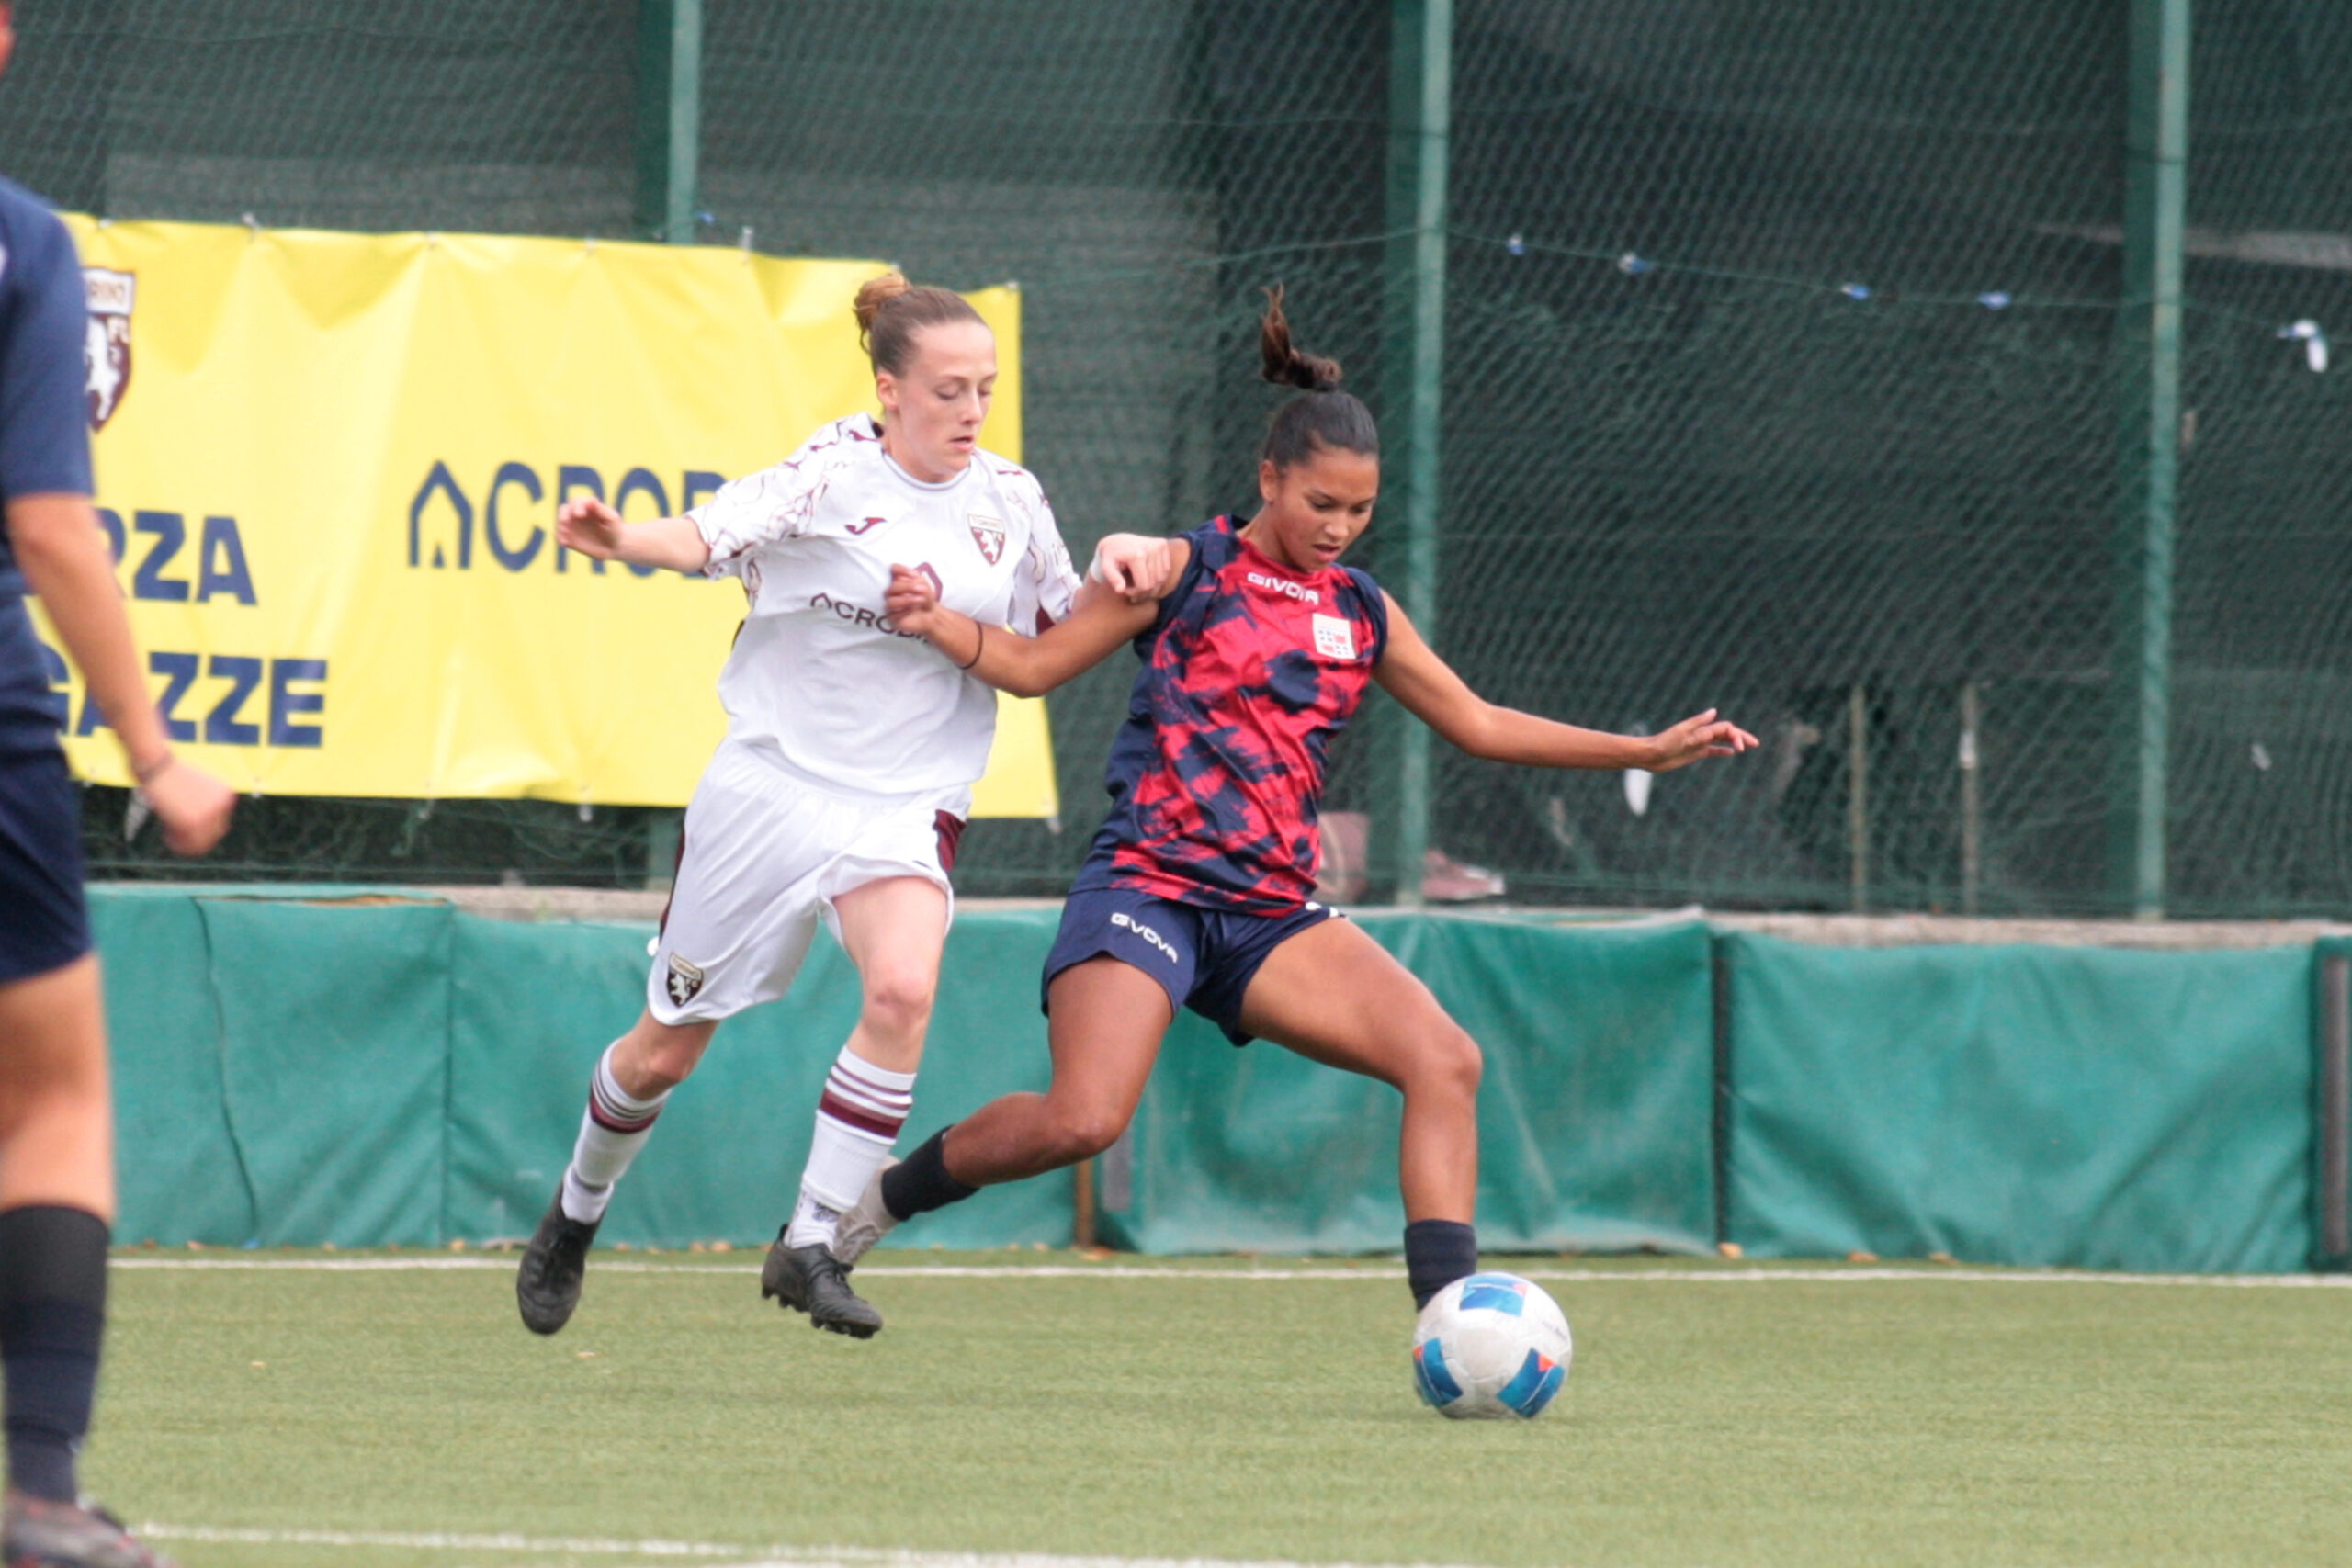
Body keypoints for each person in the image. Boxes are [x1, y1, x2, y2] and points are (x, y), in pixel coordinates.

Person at [829, 287, 1756, 1317]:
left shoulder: (1360, 610)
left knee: (1445, 1059)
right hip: (1150, 885)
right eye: (1320, 504)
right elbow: (1035, 667)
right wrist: (940, 625)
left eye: (1359, 511)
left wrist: (1647, 750)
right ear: (1269, 478)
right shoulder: (1184, 569)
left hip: (1269, 914)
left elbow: (1479, 722)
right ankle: (863, 1212)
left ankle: (1449, 1324)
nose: (1339, 529)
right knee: (1083, 1119)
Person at [515, 272, 1170, 1339]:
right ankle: (575, 1213)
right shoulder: (826, 475)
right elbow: (703, 534)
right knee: (663, 1052)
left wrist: (1123, 557)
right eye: (949, 390)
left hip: (904, 803)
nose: (970, 412)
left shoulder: (1011, 497)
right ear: (889, 389)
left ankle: (811, 1240)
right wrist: (623, 537)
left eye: (985, 390)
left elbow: (1067, 618)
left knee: (904, 990)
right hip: (770, 789)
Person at [0, 6, 239, 1561]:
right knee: (52, 1093)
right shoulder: (22, 247)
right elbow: (51, 527)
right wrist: (154, 748)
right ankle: (35, 1491)